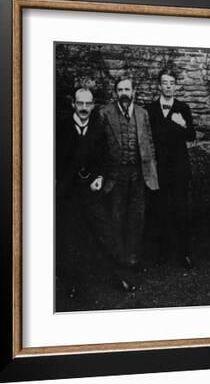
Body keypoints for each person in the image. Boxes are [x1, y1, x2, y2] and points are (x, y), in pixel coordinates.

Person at [56, 87, 136, 292]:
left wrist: (99, 177)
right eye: (80, 103)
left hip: (91, 190)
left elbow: (106, 158)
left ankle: (120, 277)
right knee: (69, 236)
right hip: (68, 192)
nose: (84, 108)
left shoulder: (98, 127)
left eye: (88, 104)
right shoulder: (60, 127)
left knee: (106, 232)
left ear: (93, 105)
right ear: (73, 104)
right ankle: (71, 284)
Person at [98, 75, 159, 271]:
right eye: (120, 90)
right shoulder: (104, 113)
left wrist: (151, 172)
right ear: (115, 93)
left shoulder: (142, 113)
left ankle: (133, 258)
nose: (124, 93)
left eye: (127, 89)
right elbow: (97, 146)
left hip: (138, 174)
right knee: (116, 216)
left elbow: (149, 143)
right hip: (115, 175)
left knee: (136, 217)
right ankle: (118, 258)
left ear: (134, 92)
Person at [146, 68, 197, 270]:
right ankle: (161, 252)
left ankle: (183, 253)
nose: (168, 86)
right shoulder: (149, 110)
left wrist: (182, 124)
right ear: (159, 86)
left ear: (176, 86)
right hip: (159, 168)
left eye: (171, 82)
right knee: (159, 210)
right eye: (164, 82)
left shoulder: (183, 108)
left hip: (179, 169)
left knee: (181, 211)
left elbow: (192, 136)